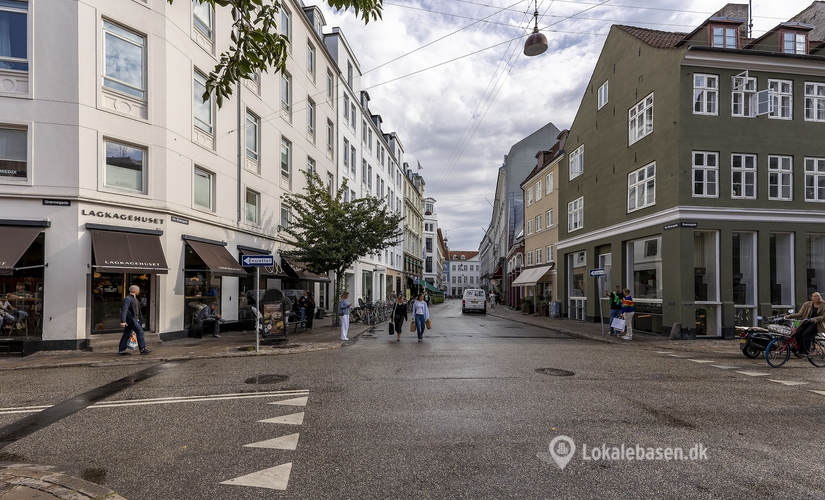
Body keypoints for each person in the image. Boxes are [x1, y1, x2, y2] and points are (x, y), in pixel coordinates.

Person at [118, 285, 150, 356]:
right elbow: (124, 310)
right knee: (140, 332)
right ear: (134, 290)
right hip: (131, 320)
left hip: (134, 319)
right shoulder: (128, 299)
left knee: (126, 334)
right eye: (138, 290)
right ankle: (142, 349)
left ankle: (121, 350)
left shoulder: (135, 299)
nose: (139, 291)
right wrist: (123, 321)